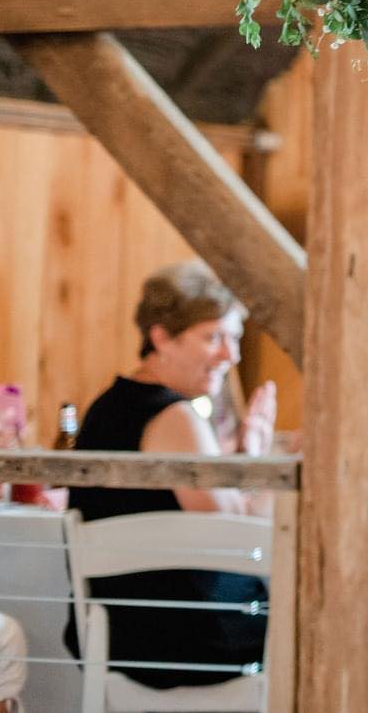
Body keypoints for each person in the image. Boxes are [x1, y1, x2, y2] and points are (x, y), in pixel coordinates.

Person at [67, 261, 276, 690]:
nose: (230, 355)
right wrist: (255, 459)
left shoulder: (107, 405)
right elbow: (238, 532)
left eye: (234, 339)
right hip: (182, 638)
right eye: (213, 336)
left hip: (116, 629)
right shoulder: (176, 417)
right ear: (161, 337)